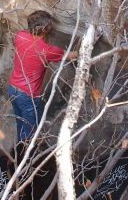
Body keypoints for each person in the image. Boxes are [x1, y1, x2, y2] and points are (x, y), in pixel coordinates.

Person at [7, 10, 78, 145]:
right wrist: (84, 49)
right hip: (28, 96)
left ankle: (18, 158)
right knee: (31, 134)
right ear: (45, 30)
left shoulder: (20, 36)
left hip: (12, 89)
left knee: (21, 125)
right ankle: (27, 161)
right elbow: (71, 55)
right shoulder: (47, 50)